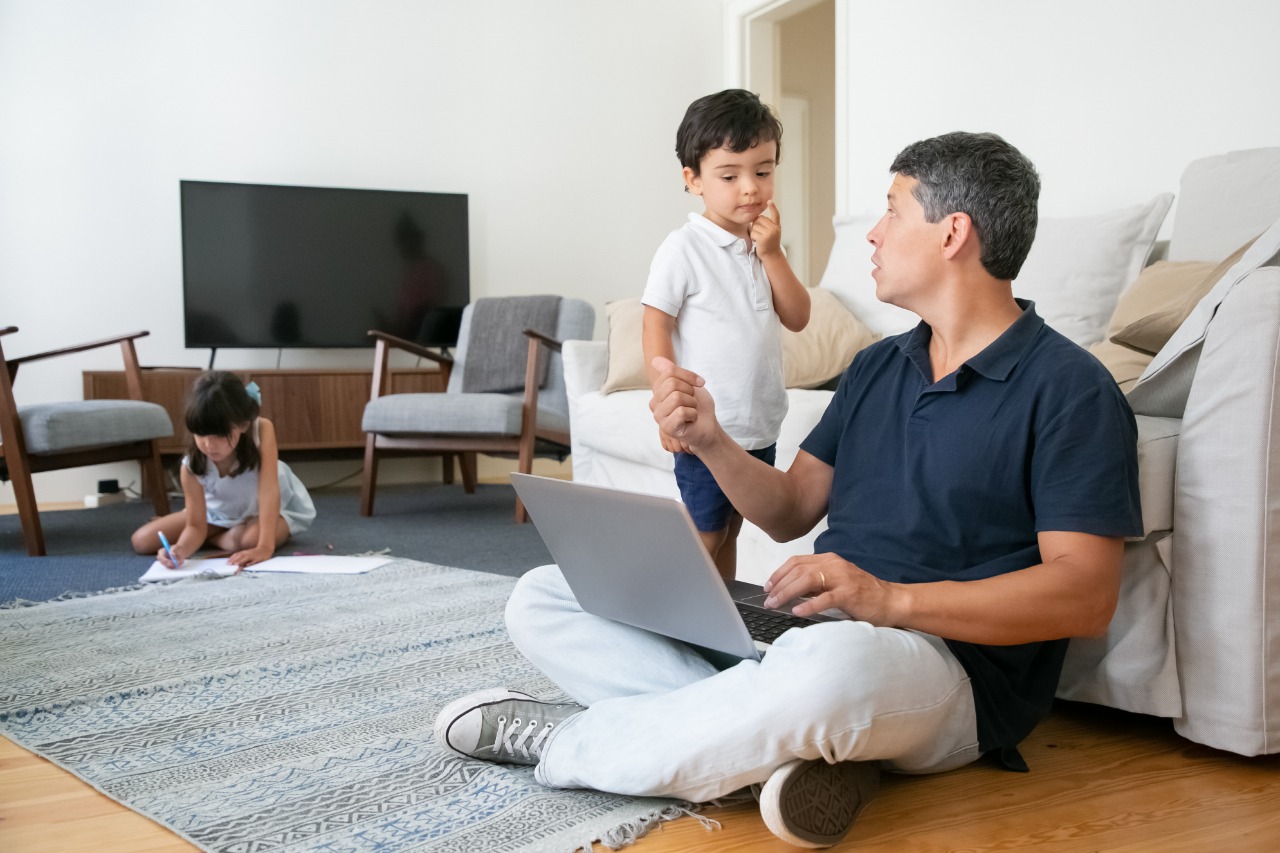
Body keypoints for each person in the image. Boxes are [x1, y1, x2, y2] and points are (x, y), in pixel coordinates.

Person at [434, 132, 1142, 849]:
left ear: (953, 232)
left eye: (892, 211)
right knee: (548, 593)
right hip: (809, 633)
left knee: (832, 667)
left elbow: (1085, 595)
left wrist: (889, 600)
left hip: (945, 665)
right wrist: (710, 438)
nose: (873, 231)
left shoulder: (1069, 389)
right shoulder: (877, 369)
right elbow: (789, 509)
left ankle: (569, 745)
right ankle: (796, 752)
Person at [642, 88, 810, 581]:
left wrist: (774, 254)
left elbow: (797, 316)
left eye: (763, 171)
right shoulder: (684, 249)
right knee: (706, 532)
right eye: (730, 175)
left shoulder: (765, 243)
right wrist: (667, 405)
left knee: (732, 529)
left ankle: (725, 622)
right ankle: (674, 619)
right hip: (706, 428)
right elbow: (655, 323)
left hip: (758, 425)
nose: (750, 189)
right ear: (692, 179)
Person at [131, 371, 316, 569]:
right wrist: (181, 549)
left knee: (250, 541)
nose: (209, 445)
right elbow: (195, 526)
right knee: (142, 541)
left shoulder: (261, 429)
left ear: (243, 425)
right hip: (216, 513)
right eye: (201, 435)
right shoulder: (191, 467)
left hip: (263, 509)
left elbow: (269, 491)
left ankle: (224, 537)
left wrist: (264, 547)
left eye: (220, 435)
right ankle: (224, 537)